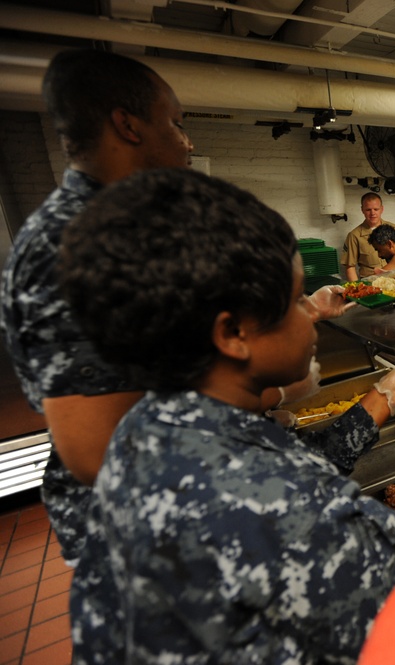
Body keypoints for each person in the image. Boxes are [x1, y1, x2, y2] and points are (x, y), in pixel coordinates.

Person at [59, 168, 395, 663]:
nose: (311, 314)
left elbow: (296, 462)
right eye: (297, 301)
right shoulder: (272, 503)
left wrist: (380, 402)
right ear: (232, 333)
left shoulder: (153, 423)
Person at [0, 49, 195, 568]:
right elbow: (98, 451)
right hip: (136, 529)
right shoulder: (78, 245)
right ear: (128, 126)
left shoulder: (124, 230)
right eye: (176, 124)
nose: (187, 141)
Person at [342, 192, 395, 281]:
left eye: (376, 209)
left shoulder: (394, 229)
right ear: (362, 210)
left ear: (382, 209)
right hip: (371, 281)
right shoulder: (354, 236)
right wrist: (357, 288)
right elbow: (350, 267)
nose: (372, 213)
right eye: (368, 210)